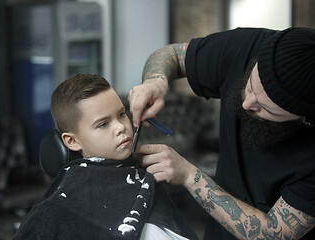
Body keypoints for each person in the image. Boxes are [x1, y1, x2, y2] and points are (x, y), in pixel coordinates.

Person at [128, 27, 315, 239]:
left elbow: (272, 234)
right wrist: (155, 82)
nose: (246, 103)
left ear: (303, 118)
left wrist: (190, 176)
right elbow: (171, 55)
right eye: (251, 86)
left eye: (265, 109)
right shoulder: (249, 45)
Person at [14, 74, 198, 240]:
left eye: (121, 114)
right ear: (72, 141)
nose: (120, 127)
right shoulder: (59, 205)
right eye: (103, 124)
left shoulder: (140, 170)